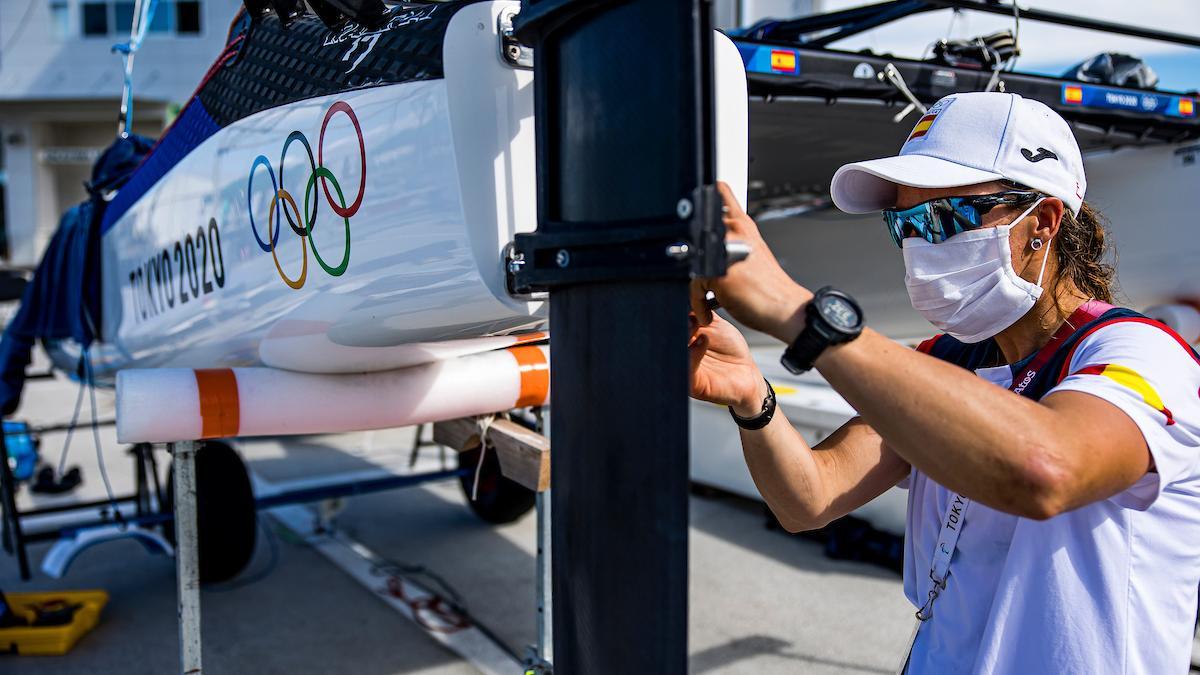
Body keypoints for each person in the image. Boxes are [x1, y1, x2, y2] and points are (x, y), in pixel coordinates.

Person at [689, 92, 1200, 674]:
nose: (921, 245)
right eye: (904, 223)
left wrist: (802, 315)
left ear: (1043, 223)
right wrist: (751, 397)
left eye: (949, 216)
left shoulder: (1142, 355)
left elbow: (1046, 471)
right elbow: (810, 498)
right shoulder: (950, 360)